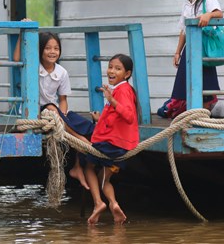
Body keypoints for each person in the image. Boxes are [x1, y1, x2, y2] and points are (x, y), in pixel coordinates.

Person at [13, 20, 92, 189]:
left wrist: (62, 117)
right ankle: (80, 140)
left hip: (56, 112)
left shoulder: (61, 72)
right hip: (36, 111)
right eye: (48, 48)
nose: (52, 52)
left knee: (86, 125)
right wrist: (22, 32)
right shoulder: (33, 66)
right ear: (40, 50)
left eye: (56, 48)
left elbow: (63, 99)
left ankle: (77, 167)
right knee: (51, 109)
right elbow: (17, 58)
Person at [79, 54, 139, 225]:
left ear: (127, 74)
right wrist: (100, 119)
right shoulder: (122, 89)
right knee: (104, 179)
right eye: (110, 67)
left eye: (117, 68)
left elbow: (129, 116)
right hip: (119, 146)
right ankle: (114, 205)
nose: (112, 71)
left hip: (112, 145)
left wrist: (112, 100)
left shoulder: (122, 90)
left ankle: (98, 203)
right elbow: (117, 118)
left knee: (87, 165)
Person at [157, 0, 223, 118]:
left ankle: (205, 109)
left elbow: (219, 13)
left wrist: (208, 16)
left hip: (204, 47)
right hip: (190, 48)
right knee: (185, 79)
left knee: (206, 79)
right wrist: (177, 52)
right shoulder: (187, 4)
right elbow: (184, 30)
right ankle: (191, 109)